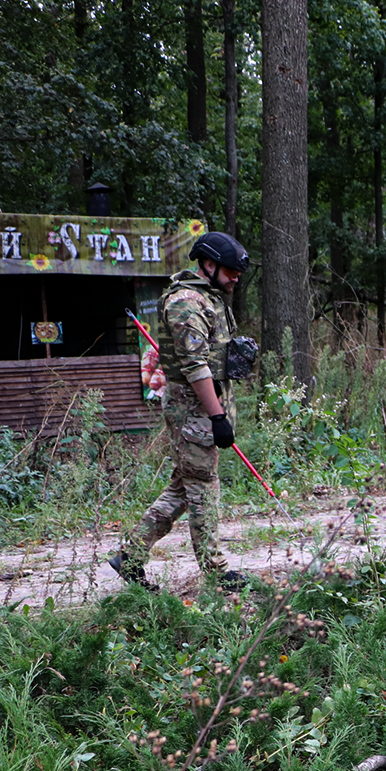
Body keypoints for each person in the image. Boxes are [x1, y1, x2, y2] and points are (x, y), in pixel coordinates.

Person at [108, 231, 257, 591]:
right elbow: (194, 367)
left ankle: (128, 556)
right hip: (194, 410)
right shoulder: (186, 302)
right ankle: (217, 572)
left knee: (183, 486)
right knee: (203, 486)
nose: (236, 277)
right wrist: (217, 416)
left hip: (202, 406)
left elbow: (212, 356)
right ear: (208, 264)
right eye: (231, 271)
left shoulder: (209, 297)